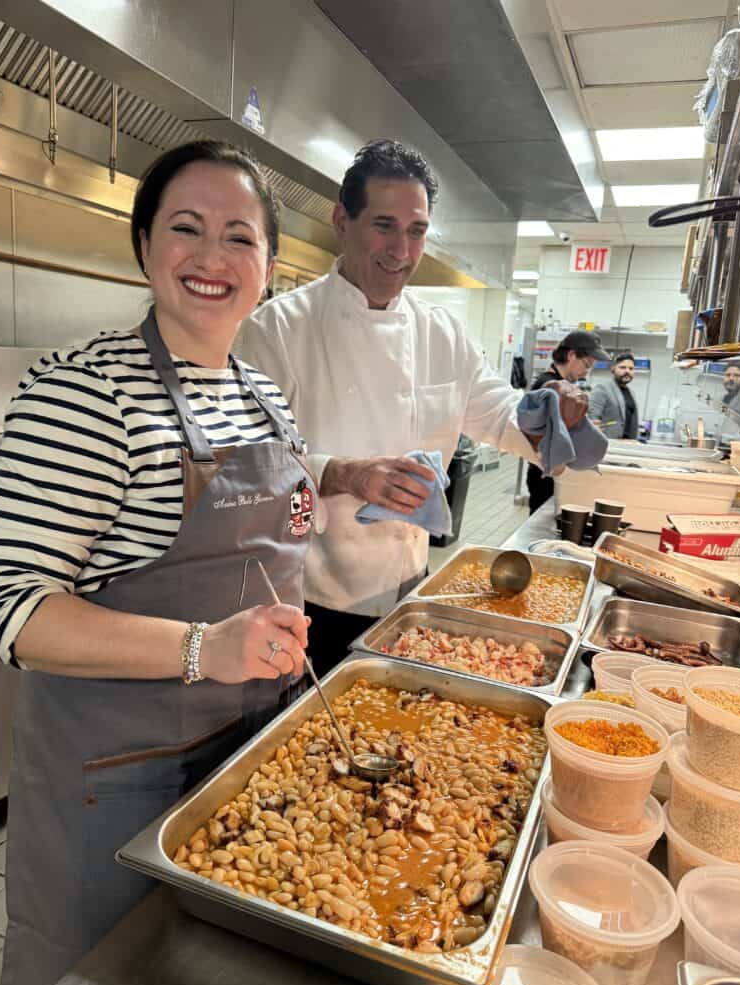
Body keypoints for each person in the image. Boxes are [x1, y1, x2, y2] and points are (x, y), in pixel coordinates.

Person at [0, 140, 314, 985]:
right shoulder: (85, 391)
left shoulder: (263, 394)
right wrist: (207, 647)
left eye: (239, 238)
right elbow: (9, 610)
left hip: (236, 761)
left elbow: (274, 536)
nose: (213, 258)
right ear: (144, 247)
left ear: (270, 268)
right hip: (115, 778)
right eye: (186, 229)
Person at [240, 139, 589, 676]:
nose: (401, 249)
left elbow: (499, 414)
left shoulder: (442, 331)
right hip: (310, 600)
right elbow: (248, 464)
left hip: (410, 590)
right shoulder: (277, 329)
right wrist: (346, 473)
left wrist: (552, 416)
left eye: (417, 230)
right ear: (342, 220)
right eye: (384, 225)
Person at [525, 330, 610, 513]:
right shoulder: (549, 386)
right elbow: (543, 437)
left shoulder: (560, 385)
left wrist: (583, 426)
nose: (586, 372)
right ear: (571, 355)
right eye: (586, 365)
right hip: (545, 475)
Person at [589, 352, 639, 440]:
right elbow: (592, 419)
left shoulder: (631, 393)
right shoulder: (602, 389)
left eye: (631, 369)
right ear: (613, 369)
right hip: (607, 443)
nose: (627, 371)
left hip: (627, 444)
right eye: (622, 367)